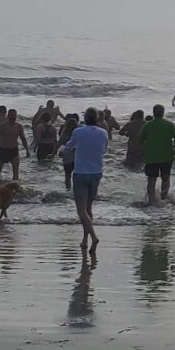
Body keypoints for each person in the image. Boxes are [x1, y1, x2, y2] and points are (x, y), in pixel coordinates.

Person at [63, 107, 109, 256]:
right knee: (88, 208)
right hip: (96, 173)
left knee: (81, 210)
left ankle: (94, 237)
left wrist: (61, 151)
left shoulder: (78, 132)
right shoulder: (103, 133)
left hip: (81, 173)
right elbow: (104, 151)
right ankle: (85, 239)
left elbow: (69, 147)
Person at [139, 102, 175, 203]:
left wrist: (144, 149)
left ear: (153, 113)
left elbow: (140, 139)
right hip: (167, 155)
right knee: (165, 178)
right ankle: (164, 198)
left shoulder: (147, 125)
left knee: (151, 180)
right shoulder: (169, 124)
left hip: (151, 156)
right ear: (163, 113)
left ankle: (152, 200)